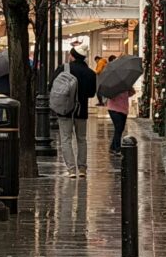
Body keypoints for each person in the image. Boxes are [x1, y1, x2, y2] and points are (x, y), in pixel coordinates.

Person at [50, 47, 97, 178]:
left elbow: (52, 87)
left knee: (66, 139)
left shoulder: (63, 69)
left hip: (64, 110)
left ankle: (71, 170)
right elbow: (92, 94)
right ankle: (82, 169)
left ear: (72, 56)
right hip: (81, 111)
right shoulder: (90, 73)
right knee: (82, 139)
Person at [107, 82, 135, 156]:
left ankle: (112, 148)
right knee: (118, 129)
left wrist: (130, 87)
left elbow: (132, 93)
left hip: (124, 110)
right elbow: (110, 96)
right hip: (114, 109)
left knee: (120, 129)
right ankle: (117, 149)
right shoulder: (113, 85)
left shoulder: (126, 84)